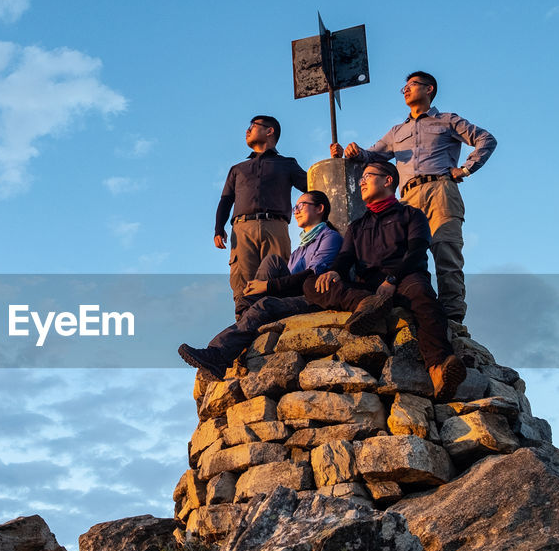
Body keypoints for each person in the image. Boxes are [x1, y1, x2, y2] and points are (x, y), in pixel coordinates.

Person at [330, 71, 495, 324]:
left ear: (429, 89)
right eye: (403, 87)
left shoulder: (447, 120)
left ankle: (451, 317)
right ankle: (410, 308)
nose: (405, 89)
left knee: (445, 251)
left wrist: (466, 168)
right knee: (404, 255)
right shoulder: (397, 131)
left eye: (412, 85)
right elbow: (371, 155)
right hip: (406, 201)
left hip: (440, 189)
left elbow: (485, 139)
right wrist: (350, 152)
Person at [304, 162, 467, 402]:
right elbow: (345, 257)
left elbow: (416, 251)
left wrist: (392, 280)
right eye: (361, 178)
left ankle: (438, 369)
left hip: (404, 277)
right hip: (368, 287)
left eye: (367, 176)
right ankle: (366, 304)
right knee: (312, 284)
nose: (361, 182)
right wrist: (334, 272)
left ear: (388, 180)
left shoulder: (411, 214)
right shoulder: (357, 225)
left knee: (423, 296)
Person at [181, 190, 342, 380]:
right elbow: (288, 280)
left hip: (313, 298)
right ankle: (245, 314)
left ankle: (218, 354)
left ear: (319, 209)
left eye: (301, 205)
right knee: (272, 261)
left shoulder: (330, 237)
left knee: (265, 304)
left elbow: (310, 278)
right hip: (294, 294)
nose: (296, 211)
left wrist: (268, 287)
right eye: (294, 207)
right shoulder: (300, 250)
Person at [215, 115, 308, 319]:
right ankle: (244, 332)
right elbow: (225, 200)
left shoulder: (287, 164)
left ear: (269, 131)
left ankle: (275, 327)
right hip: (242, 228)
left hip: (275, 227)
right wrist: (218, 228)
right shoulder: (238, 169)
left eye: (252, 126)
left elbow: (313, 186)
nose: (247, 130)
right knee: (243, 287)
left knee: (275, 279)